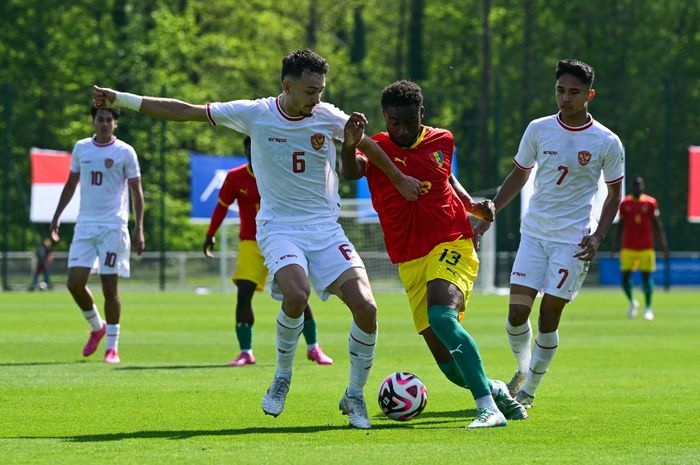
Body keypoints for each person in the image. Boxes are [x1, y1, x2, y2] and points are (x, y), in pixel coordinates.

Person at [93, 49, 421, 429]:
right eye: (311, 91)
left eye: (321, 90)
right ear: (288, 86)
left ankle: (354, 396)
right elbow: (186, 111)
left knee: (367, 308)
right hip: (278, 227)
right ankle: (282, 377)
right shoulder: (255, 113)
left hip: (325, 229)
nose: (317, 98)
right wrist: (122, 100)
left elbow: (370, 149)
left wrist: (396, 177)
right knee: (297, 295)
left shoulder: (329, 117)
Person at [339, 80, 527, 428]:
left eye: (410, 121)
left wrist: (469, 206)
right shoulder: (377, 147)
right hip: (410, 260)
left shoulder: (443, 139)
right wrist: (349, 147)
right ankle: (496, 389)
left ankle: (488, 409)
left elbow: (446, 176)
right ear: (385, 118)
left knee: (442, 317)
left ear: (421, 114)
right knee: (452, 369)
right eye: (394, 122)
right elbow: (350, 173)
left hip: (451, 241)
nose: (403, 129)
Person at [473, 59, 624, 409]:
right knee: (515, 315)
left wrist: (599, 235)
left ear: (590, 95)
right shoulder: (538, 129)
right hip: (534, 234)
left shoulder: (606, 141)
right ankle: (523, 370)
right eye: (560, 90)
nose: (565, 98)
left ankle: (529, 392)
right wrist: (491, 212)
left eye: (574, 92)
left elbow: (614, 193)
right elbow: (519, 174)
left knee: (548, 316)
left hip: (572, 241)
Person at [203, 136, 333, 366]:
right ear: (245, 151)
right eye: (249, 149)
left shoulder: (280, 174)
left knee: (297, 294)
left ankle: (313, 347)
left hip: (282, 240)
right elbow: (221, 207)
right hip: (251, 244)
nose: (253, 153)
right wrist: (210, 234)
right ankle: (246, 352)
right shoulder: (235, 177)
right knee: (243, 293)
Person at [50, 106, 144, 364]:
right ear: (93, 122)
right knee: (74, 282)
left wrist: (139, 228)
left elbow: (136, 192)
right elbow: (71, 184)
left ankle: (112, 347)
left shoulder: (125, 152)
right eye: (99, 119)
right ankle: (96, 326)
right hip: (85, 226)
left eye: (108, 120)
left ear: (115, 124)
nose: (104, 123)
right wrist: (57, 216)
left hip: (112, 227)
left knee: (109, 287)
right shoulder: (81, 148)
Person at [613, 175, 669, 320]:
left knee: (646, 277)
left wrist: (663, 245)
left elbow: (657, 225)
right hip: (628, 246)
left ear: (643, 187)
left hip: (646, 246)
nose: (638, 187)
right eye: (635, 185)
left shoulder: (651, 203)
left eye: (640, 185)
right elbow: (621, 226)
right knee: (624, 278)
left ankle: (648, 308)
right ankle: (633, 302)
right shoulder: (625, 203)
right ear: (632, 187)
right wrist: (615, 244)